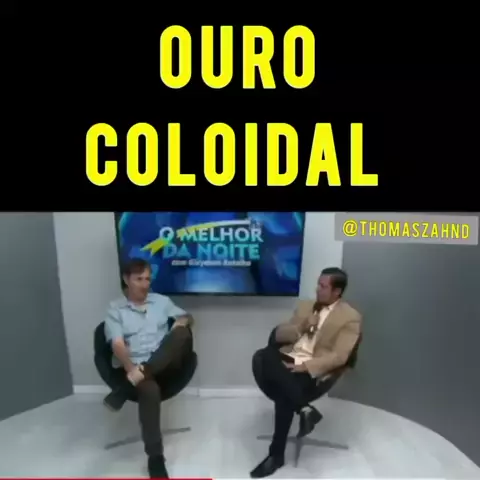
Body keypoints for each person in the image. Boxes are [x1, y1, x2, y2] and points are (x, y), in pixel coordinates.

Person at [250, 267, 362, 478]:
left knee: (284, 393)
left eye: (323, 286)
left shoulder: (350, 318)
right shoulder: (305, 306)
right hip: (289, 357)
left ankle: (276, 455)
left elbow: (340, 356)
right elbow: (278, 335)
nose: (317, 289)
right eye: (318, 284)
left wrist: (306, 367)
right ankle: (304, 408)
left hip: (312, 367)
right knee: (263, 355)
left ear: (337, 291)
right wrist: (301, 326)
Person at [103, 258, 194, 479]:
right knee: (149, 390)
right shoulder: (116, 310)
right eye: (139, 279)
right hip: (135, 366)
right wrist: (131, 369)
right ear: (126, 280)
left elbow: (187, 317)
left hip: (167, 364)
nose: (145, 285)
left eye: (147, 279)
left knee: (181, 333)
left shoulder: (161, 301)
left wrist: (182, 321)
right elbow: (117, 345)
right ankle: (155, 457)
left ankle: (130, 384)